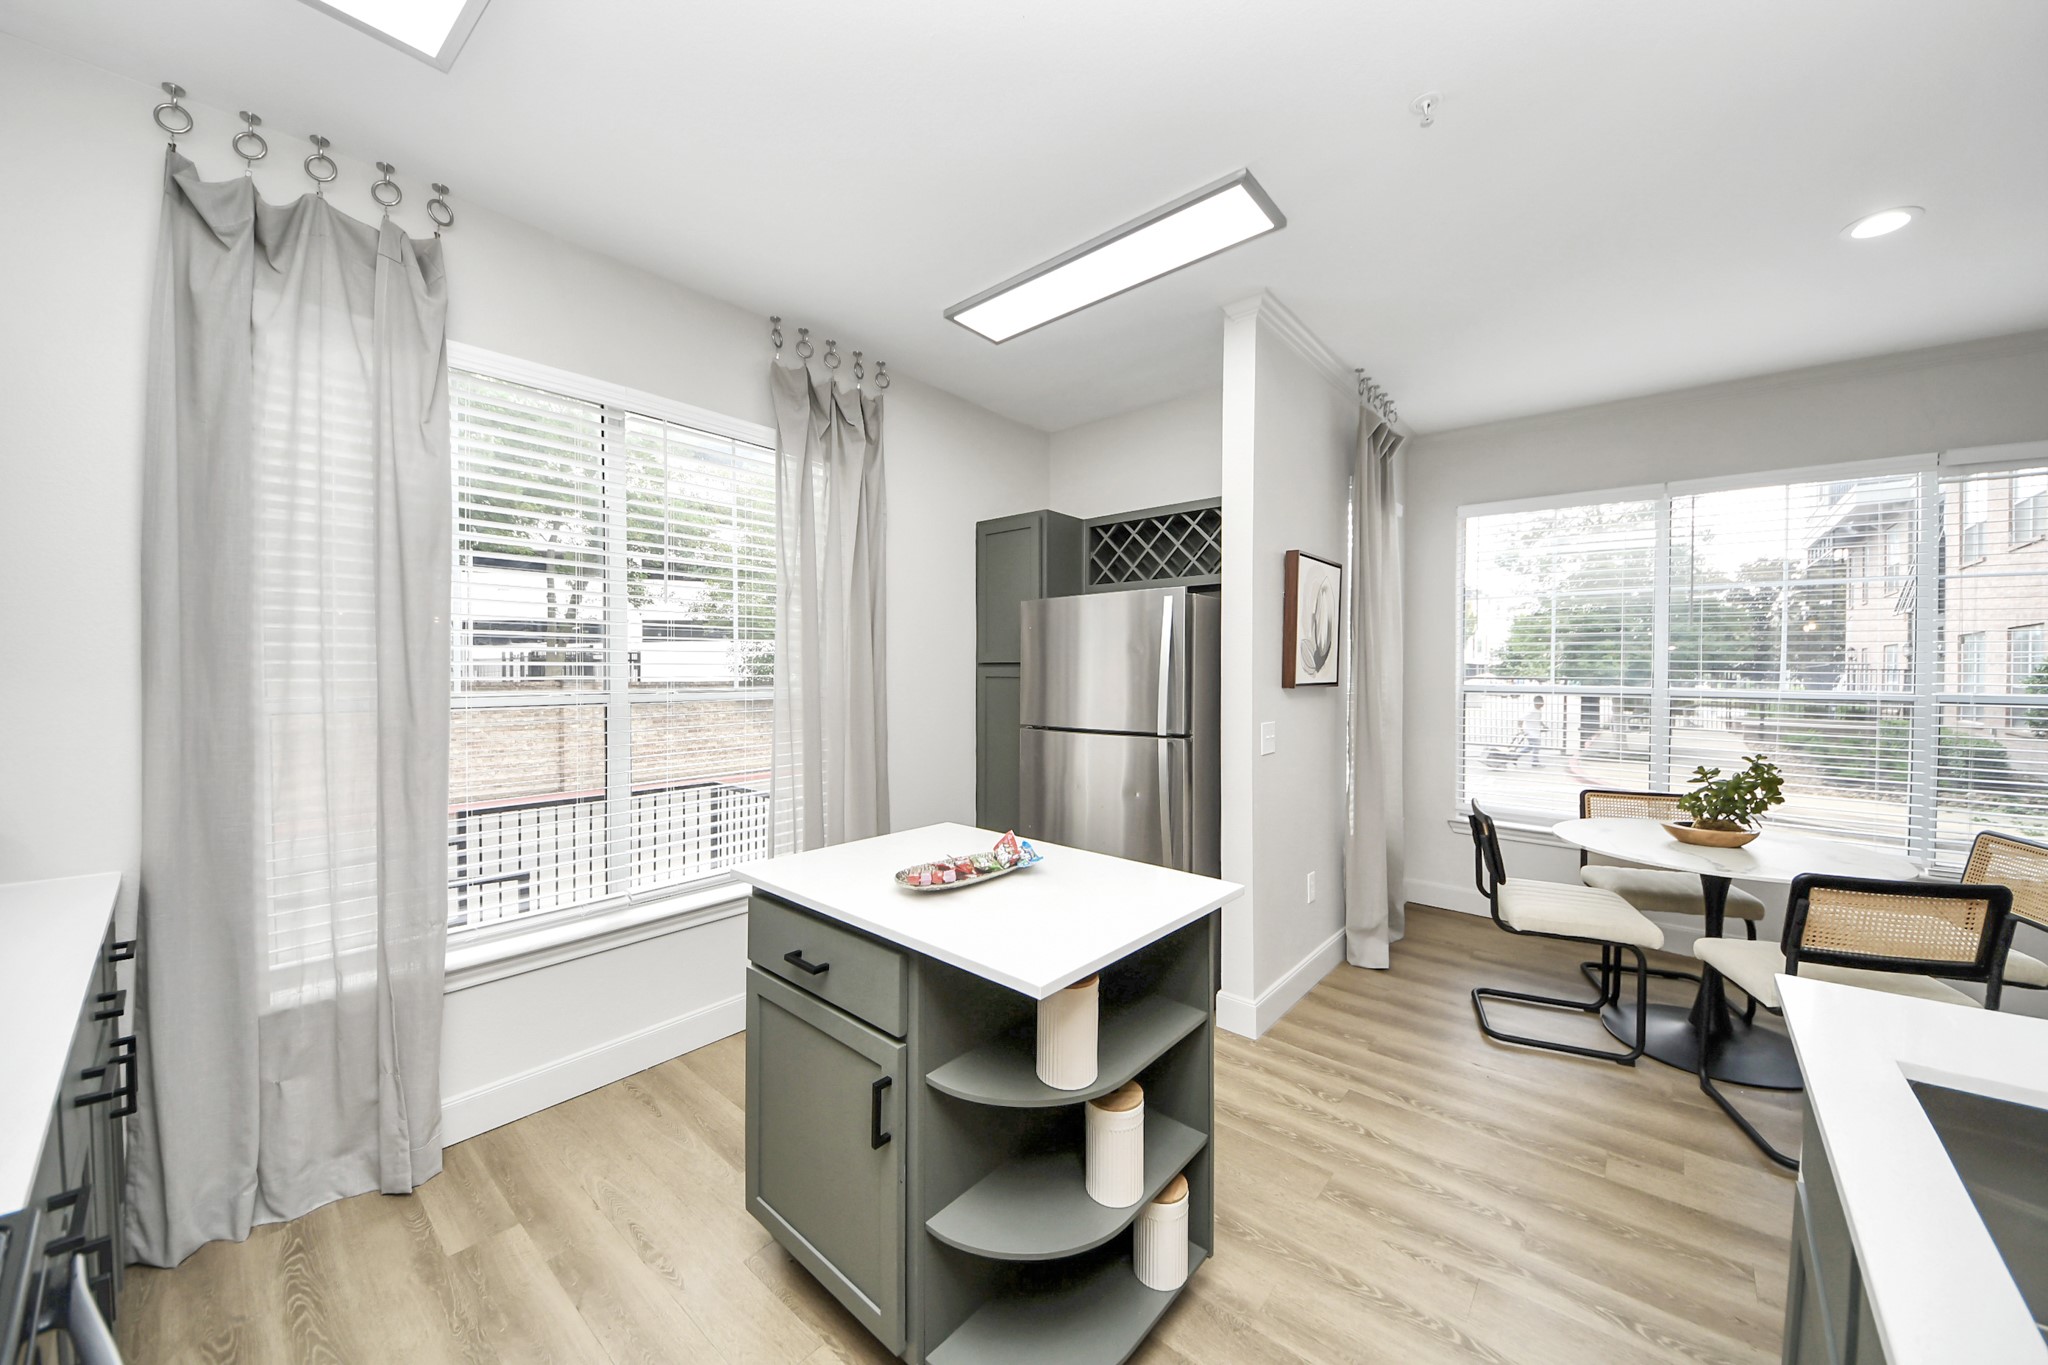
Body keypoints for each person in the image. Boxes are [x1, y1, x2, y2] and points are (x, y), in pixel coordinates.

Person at [1516, 695, 1547, 767]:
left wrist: (1543, 725)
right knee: (1537, 745)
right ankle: (1535, 762)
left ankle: (1515, 756)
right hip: (1530, 732)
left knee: (1530, 747)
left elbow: (1538, 719)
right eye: (1542, 702)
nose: (1543, 704)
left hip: (1535, 731)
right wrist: (1521, 730)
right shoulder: (1531, 710)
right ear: (1537, 703)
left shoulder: (1538, 709)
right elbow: (1520, 719)